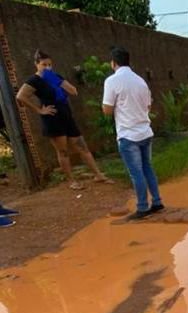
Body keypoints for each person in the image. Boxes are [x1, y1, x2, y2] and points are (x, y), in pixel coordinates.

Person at [16, 50, 112, 190]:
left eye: (50, 65)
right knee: (63, 151)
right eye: (44, 65)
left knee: (82, 147)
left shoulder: (55, 76)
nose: (48, 68)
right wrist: (39, 110)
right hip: (52, 119)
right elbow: (20, 96)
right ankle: (71, 181)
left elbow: (73, 91)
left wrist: (56, 80)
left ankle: (98, 175)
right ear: (36, 64)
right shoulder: (34, 81)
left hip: (67, 116)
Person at [102, 46, 164, 221]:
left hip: (128, 135)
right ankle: (157, 202)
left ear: (113, 63)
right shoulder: (140, 81)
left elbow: (107, 109)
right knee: (147, 168)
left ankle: (143, 207)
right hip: (145, 131)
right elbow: (149, 106)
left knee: (136, 172)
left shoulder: (112, 81)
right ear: (129, 61)